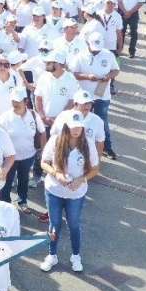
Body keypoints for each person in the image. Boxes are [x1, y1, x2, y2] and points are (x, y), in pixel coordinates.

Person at [39, 115, 100, 273]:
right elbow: (44, 162)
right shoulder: (55, 140)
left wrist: (81, 179)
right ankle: (52, 255)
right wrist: (56, 174)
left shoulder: (88, 143)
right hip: (54, 190)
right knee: (55, 224)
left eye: (79, 126)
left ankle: (75, 256)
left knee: (73, 224)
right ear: (66, 126)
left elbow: (95, 169)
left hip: (76, 193)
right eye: (73, 126)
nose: (76, 130)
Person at [70, 32, 120, 159]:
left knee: (102, 122)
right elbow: (74, 74)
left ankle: (106, 148)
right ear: (88, 43)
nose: (96, 51)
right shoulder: (80, 55)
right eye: (94, 49)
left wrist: (108, 76)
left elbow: (116, 70)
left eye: (98, 49)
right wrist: (87, 77)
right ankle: (78, 146)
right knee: (80, 121)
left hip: (102, 95)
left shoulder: (108, 55)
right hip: (84, 97)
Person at [0, 88, 45, 211]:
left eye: (18, 101)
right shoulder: (4, 118)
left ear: (26, 101)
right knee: (6, 182)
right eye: (13, 101)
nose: (15, 103)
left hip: (28, 156)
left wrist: (43, 150)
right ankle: (4, 205)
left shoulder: (33, 115)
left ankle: (22, 201)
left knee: (24, 179)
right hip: (9, 158)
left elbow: (42, 132)